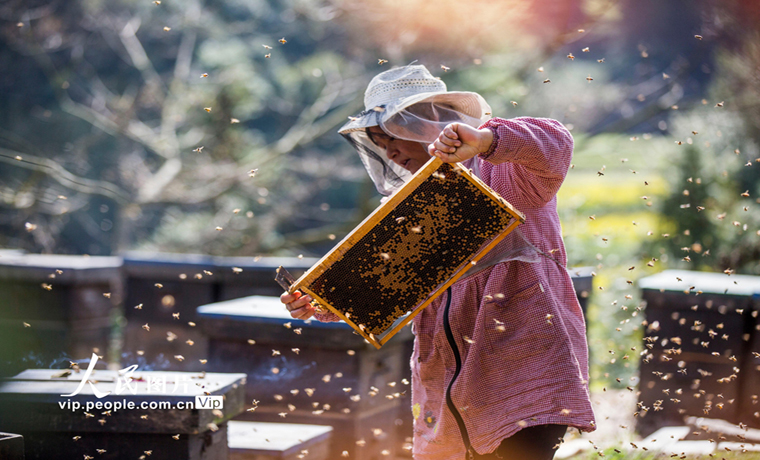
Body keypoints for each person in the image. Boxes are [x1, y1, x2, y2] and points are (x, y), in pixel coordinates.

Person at [280, 64, 596, 460]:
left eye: (393, 133)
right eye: (379, 141)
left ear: (430, 121)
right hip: (450, 386)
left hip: (525, 370)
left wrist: (485, 140)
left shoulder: (505, 170)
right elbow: (380, 293)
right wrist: (324, 304)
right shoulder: (408, 210)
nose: (389, 150)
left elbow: (555, 142)